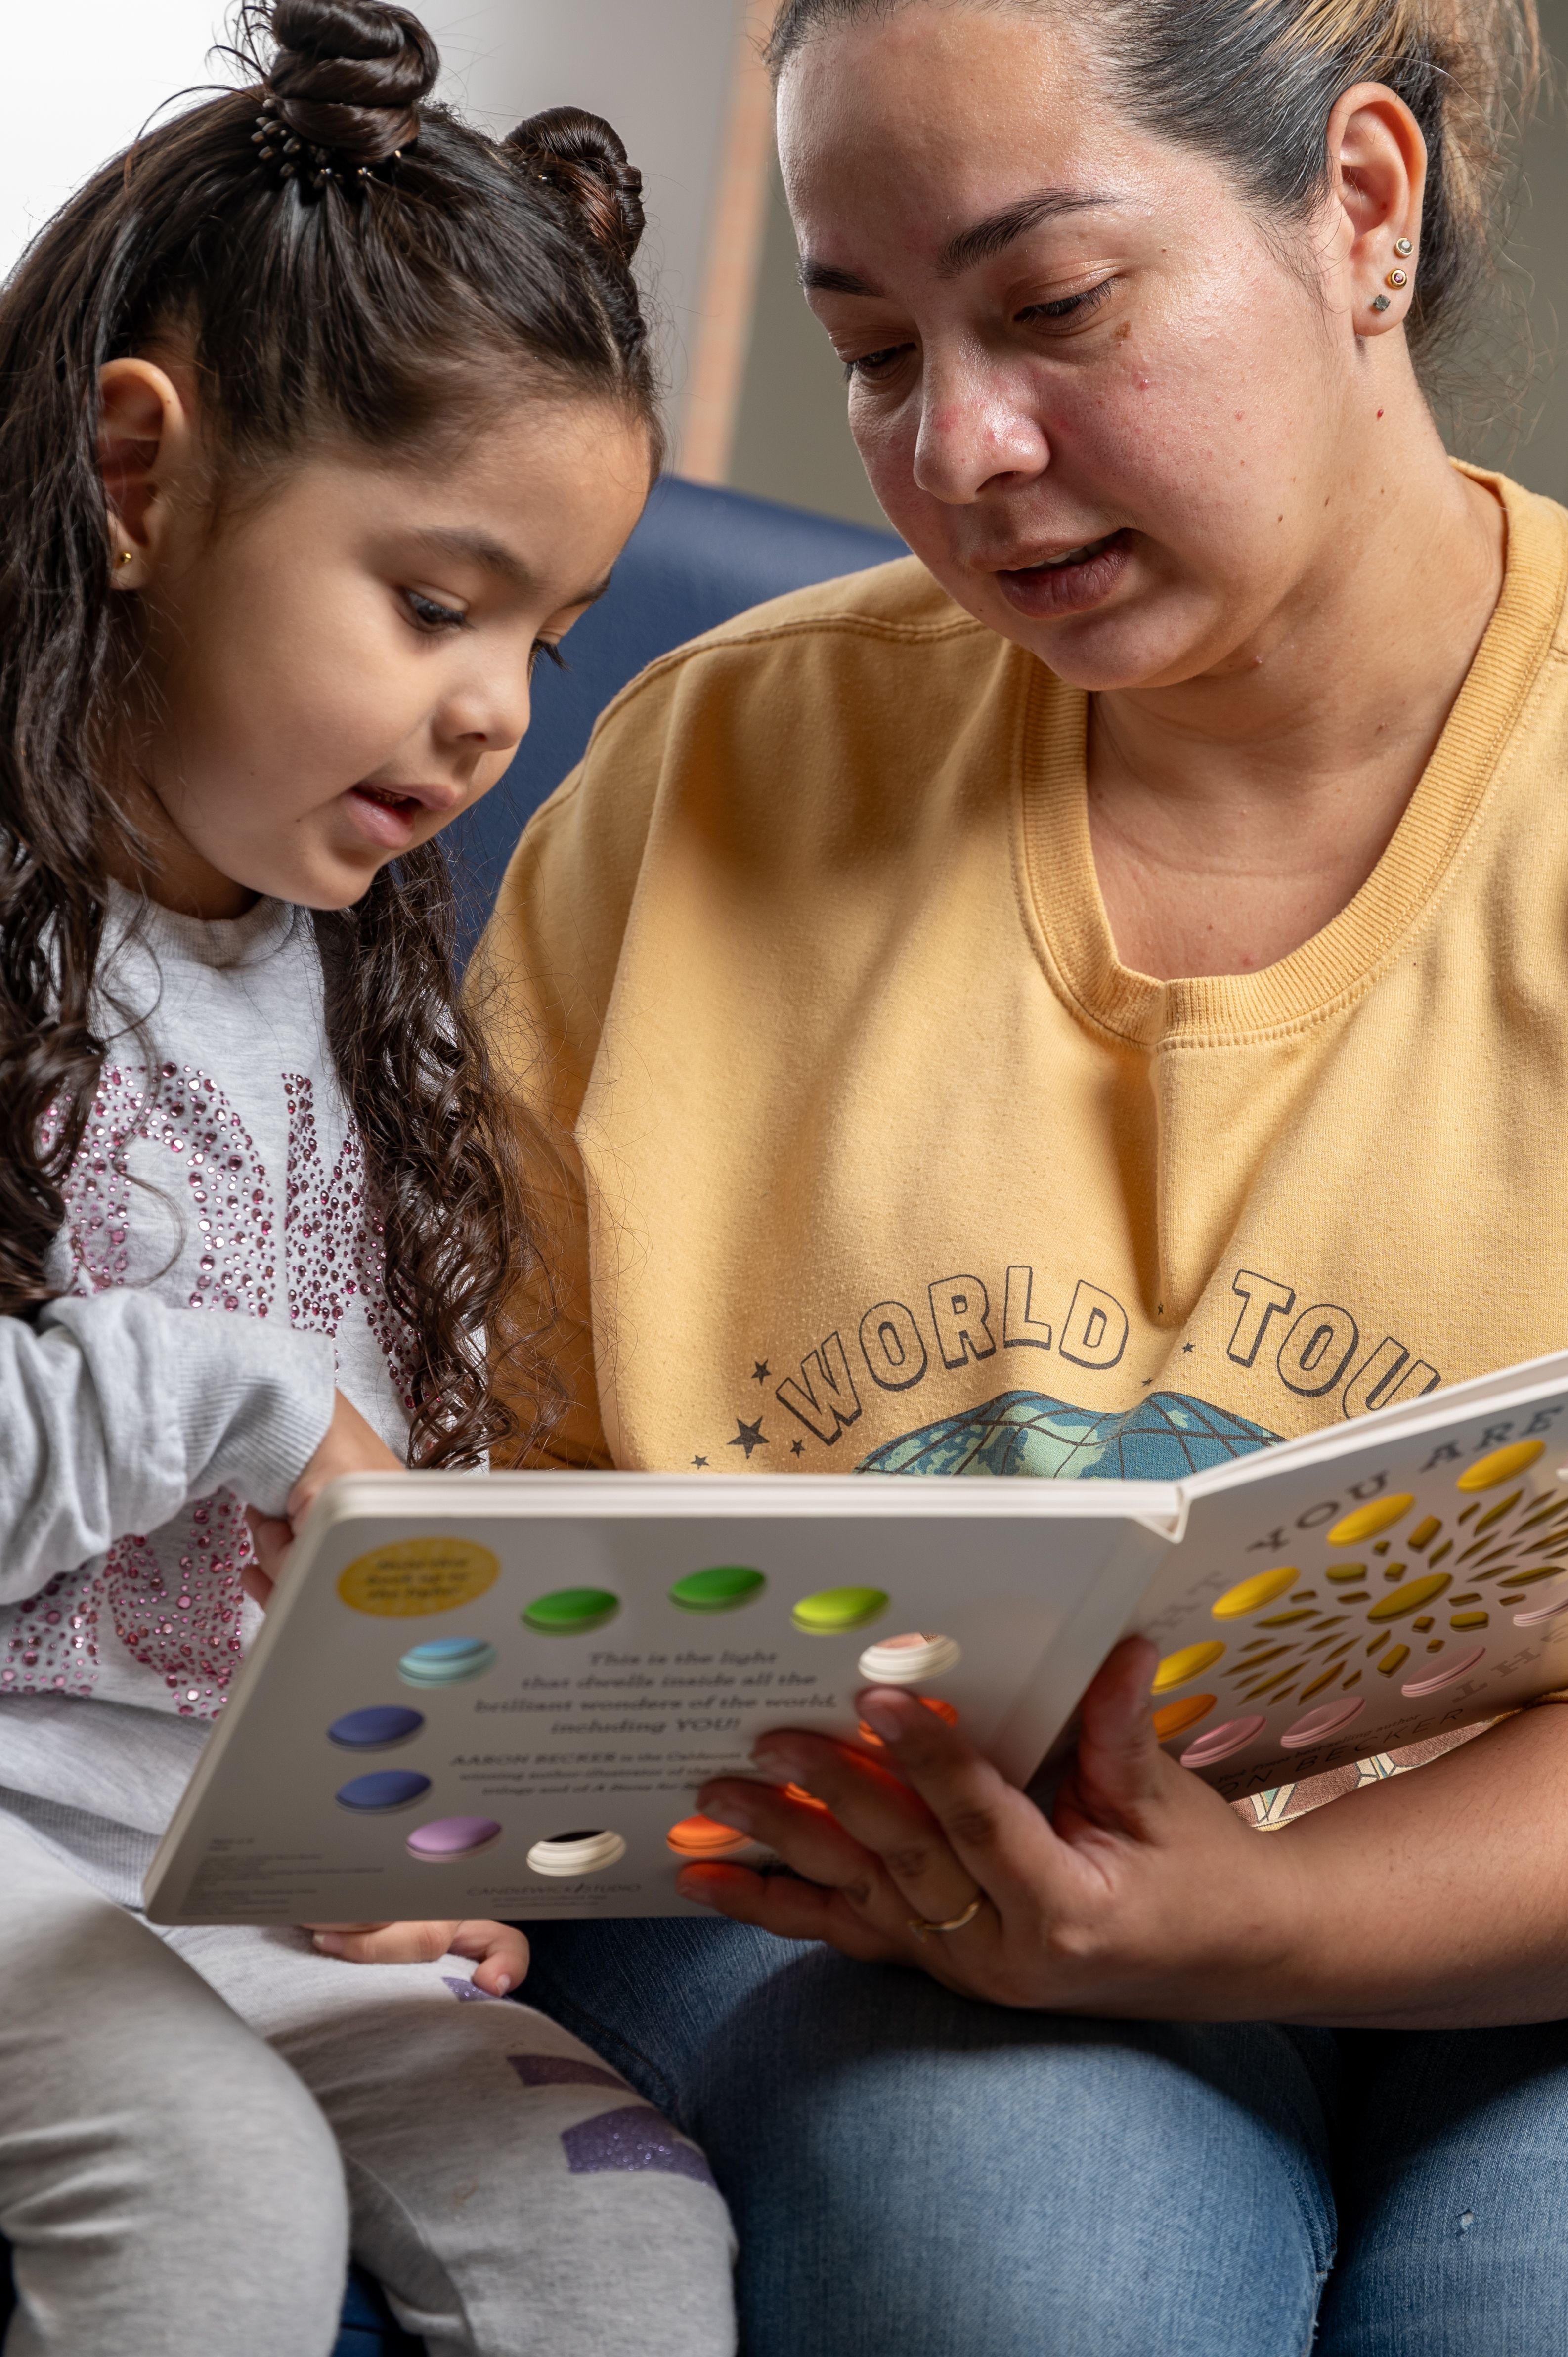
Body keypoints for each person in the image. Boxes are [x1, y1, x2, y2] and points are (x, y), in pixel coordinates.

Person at [466, 0, 1568, 2349]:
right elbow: (455, 1526)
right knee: (1024, 2246)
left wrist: (1248, 1921)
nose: (959, 448)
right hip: (852, 1900)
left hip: (1522, 1925)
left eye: (1054, 306)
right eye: (874, 350)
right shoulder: (709, 781)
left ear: (1357, 207)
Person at [0, 5, 738, 2354]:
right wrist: (225, 1398)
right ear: (143, 475)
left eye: (544, 632)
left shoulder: (369, 996)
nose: (498, 709)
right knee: (209, 2193)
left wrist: (395, 1829)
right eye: (435, 602)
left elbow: (359, 1542)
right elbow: (243, 1441)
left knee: (626, 2219)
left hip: (221, 1883)